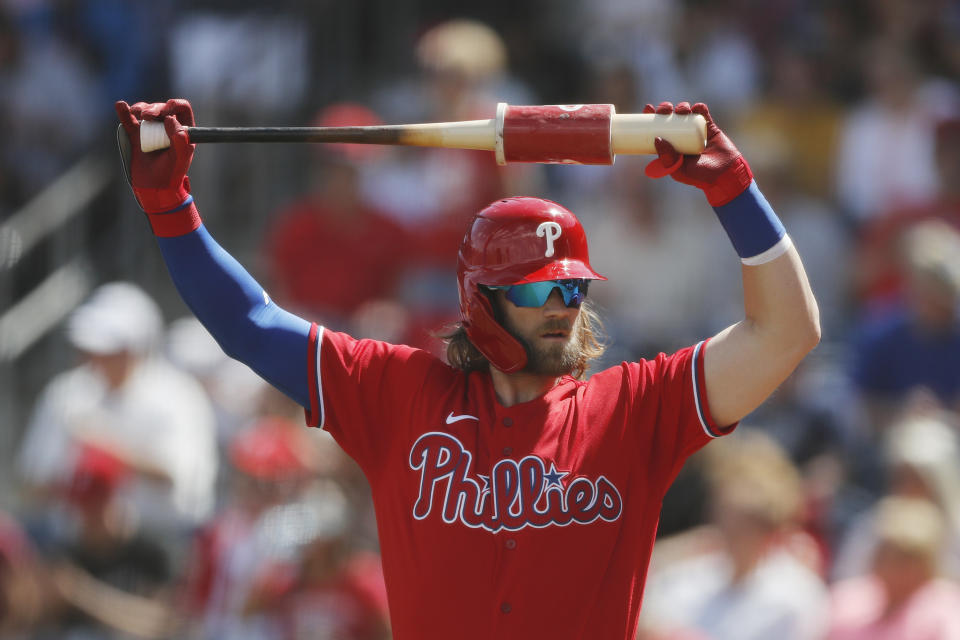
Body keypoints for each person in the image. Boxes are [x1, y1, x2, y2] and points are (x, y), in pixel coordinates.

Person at [114, 97, 819, 640]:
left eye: (575, 288)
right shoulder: (396, 394)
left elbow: (787, 332)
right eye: (542, 289)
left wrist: (734, 190)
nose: (564, 307)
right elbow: (251, 325)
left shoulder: (634, 408)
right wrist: (169, 205)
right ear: (482, 302)